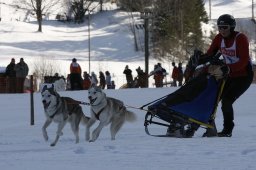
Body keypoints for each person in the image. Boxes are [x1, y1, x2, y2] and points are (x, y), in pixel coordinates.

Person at [201, 14, 253, 137]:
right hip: (228, 74)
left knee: (227, 101)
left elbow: (244, 60)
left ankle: (227, 130)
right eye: (220, 27)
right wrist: (199, 58)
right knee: (213, 99)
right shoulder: (219, 38)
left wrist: (228, 68)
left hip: (243, 76)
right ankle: (209, 127)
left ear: (232, 27)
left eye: (225, 27)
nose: (222, 30)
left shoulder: (240, 38)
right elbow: (210, 54)